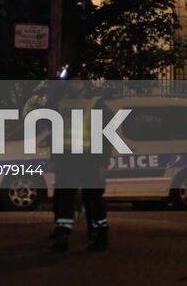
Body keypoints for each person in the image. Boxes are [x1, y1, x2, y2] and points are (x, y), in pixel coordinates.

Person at [47, 66, 110, 252]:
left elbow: (105, 136)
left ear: (85, 84)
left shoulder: (96, 104)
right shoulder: (60, 103)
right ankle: (62, 235)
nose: (75, 85)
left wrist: (102, 163)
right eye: (72, 81)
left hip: (89, 159)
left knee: (93, 199)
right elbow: (55, 133)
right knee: (63, 199)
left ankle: (100, 234)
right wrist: (55, 157)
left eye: (78, 81)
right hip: (67, 159)